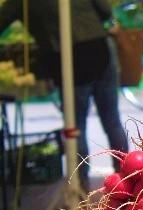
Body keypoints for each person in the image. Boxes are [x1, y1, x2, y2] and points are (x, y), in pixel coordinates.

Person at [0, 0, 129, 187]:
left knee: (75, 127)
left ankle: (80, 192)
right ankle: (128, 181)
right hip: (99, 47)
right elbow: (105, 11)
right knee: (111, 120)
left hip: (69, 57)